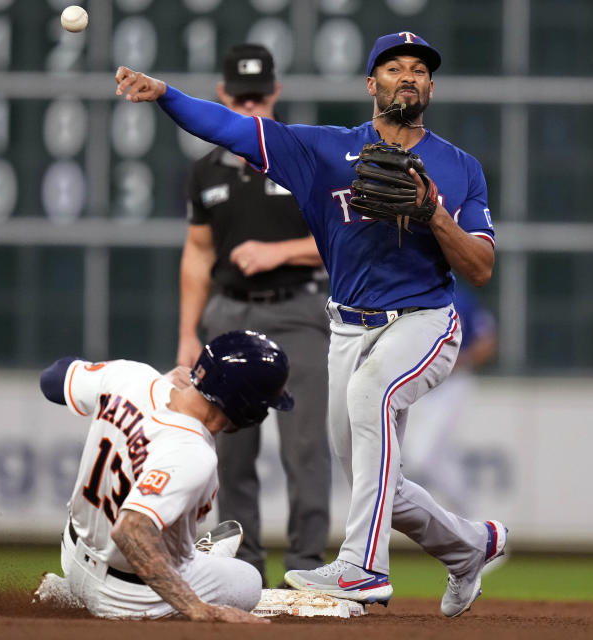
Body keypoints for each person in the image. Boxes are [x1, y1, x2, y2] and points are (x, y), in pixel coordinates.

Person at [114, 31, 506, 617]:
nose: (408, 76)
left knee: (373, 395)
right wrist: (166, 94)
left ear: (430, 86)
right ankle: (471, 547)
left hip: (425, 320)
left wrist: (434, 214)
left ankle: (363, 567)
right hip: (347, 327)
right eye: (394, 67)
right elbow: (231, 128)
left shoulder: (460, 167)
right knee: (378, 483)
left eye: (420, 69)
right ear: (372, 85)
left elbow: (479, 266)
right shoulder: (323, 151)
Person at [177, 43, 331, 588]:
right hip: (229, 315)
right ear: (222, 96)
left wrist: (279, 251)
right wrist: (186, 337)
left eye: (258, 97)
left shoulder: (303, 156)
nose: (249, 108)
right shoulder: (205, 172)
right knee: (230, 452)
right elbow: (197, 254)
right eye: (239, 98)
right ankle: (241, 572)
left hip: (297, 309)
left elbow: (343, 238)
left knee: (305, 447)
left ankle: (308, 571)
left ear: (275, 94)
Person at [35, 330, 295, 622]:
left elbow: (51, 380)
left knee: (161, 522)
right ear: (247, 408)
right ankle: (185, 560)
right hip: (128, 598)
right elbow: (130, 532)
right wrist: (198, 608)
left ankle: (76, 588)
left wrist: (154, 382)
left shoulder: (130, 377)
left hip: (73, 552)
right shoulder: (192, 452)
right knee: (248, 581)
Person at [402, 282, 497, 513]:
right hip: (419, 384)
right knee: (430, 455)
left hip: (453, 384)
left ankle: (469, 520)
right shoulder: (410, 296)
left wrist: (457, 362)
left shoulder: (461, 298)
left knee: (424, 456)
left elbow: (488, 342)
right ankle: (471, 524)